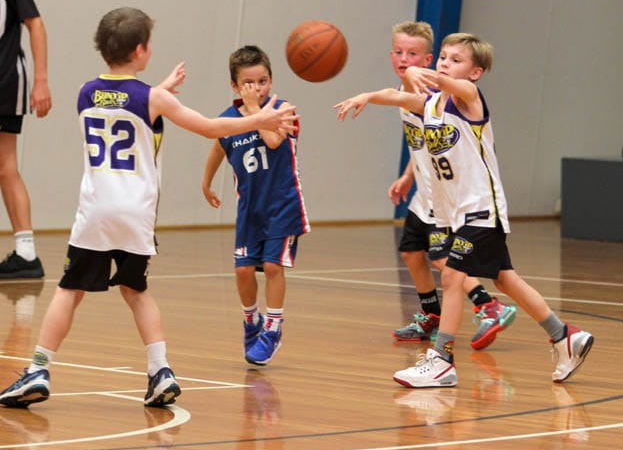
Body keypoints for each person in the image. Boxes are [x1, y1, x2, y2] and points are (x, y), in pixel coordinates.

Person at [0, 7, 298, 409]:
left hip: (96, 211)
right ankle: (160, 371)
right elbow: (209, 127)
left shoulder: (86, 91)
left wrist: (159, 90)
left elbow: (121, 101)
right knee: (136, 290)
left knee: (69, 290)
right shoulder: (153, 98)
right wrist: (260, 118)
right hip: (136, 214)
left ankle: (39, 368)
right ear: (142, 50)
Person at [359, 32, 592, 387]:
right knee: (505, 279)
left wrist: (424, 74)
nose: (445, 64)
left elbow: (448, 85)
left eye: (456, 60)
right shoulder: (432, 104)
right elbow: (397, 97)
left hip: (481, 209)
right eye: (443, 57)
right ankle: (565, 336)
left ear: (475, 72)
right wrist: (366, 96)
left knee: (452, 276)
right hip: (460, 214)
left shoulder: (469, 97)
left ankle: (442, 360)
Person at [335, 21, 515, 351]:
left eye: (413, 54)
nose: (405, 59)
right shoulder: (405, 92)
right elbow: (422, 143)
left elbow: (442, 141)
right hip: (423, 193)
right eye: (399, 52)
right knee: (410, 251)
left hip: (444, 195)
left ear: (428, 60)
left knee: (442, 258)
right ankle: (432, 314)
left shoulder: (435, 94)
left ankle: (487, 304)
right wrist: (408, 175)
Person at [202, 45, 310, 366]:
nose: (257, 89)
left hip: (283, 204)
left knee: (273, 267)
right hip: (250, 209)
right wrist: (206, 182)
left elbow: (273, 140)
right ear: (234, 85)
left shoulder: (283, 110)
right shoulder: (227, 120)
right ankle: (251, 321)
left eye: (262, 81)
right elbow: (218, 147)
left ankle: (273, 328)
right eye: (248, 83)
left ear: (271, 81)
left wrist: (253, 110)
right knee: (243, 270)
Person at [0, 0, 52, 279]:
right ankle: (27, 255)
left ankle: (26, 253)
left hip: (4, 81)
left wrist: (41, 81)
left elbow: (36, 24)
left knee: (6, 165)